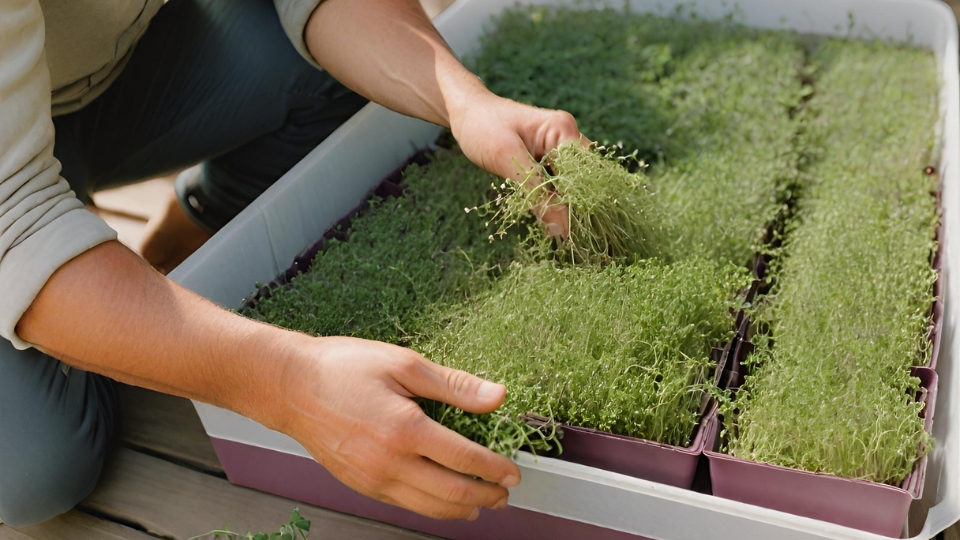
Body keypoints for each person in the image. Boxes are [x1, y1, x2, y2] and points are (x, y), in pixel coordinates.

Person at [0, 0, 584, 528]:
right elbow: (15, 218)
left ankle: (182, 240)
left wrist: (465, 102)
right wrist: (291, 382)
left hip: (95, 75)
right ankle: (104, 307)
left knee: (329, 70)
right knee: (36, 468)